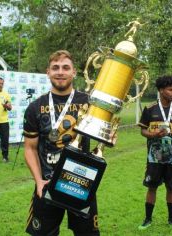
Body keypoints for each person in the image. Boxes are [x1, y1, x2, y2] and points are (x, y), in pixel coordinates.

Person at [23, 50, 99, 235]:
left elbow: (99, 138)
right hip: (47, 184)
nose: (60, 72)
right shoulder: (35, 107)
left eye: (66, 68)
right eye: (55, 68)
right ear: (47, 72)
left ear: (74, 72)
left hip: (81, 183)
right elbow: (30, 148)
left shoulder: (90, 103)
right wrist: (38, 181)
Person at [138, 75, 172, 231]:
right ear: (161, 90)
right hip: (154, 158)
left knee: (171, 187)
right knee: (152, 187)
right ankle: (147, 219)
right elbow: (143, 130)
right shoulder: (149, 109)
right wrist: (152, 135)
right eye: (170, 89)